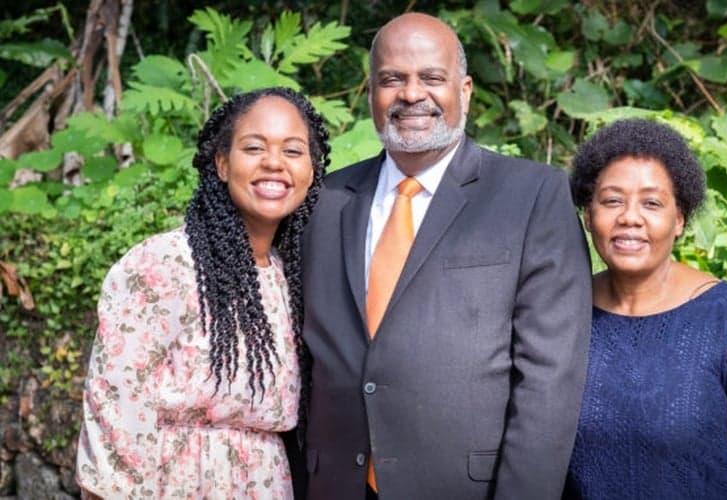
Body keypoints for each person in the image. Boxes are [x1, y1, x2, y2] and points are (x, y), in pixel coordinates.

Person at [300, 12, 592, 500]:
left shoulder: (532, 195)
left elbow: (549, 380)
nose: (412, 94)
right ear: (370, 91)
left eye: (432, 78)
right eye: (392, 79)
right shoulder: (325, 201)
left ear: (466, 90)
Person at [75, 87, 329, 499]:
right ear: (223, 164)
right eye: (254, 147)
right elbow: (115, 404)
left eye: (293, 151)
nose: (274, 163)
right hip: (174, 482)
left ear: (312, 171)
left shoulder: (293, 278)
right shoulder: (164, 265)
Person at [564, 119, 727, 498]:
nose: (630, 218)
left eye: (652, 203)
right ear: (588, 216)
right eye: (612, 200)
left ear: (679, 219)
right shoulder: (560, 313)